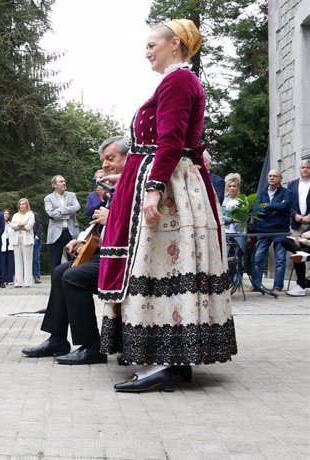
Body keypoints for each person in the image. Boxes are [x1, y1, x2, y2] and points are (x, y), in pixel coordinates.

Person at [97, 20, 237, 393]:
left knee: (159, 266)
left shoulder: (177, 80)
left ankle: (160, 363)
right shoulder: (180, 80)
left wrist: (154, 188)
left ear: (175, 44)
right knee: (167, 268)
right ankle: (172, 359)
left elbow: (171, 140)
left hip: (172, 187)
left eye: (151, 44)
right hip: (175, 179)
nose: (147, 51)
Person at [22, 136, 128, 364]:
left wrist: (112, 218)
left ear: (128, 159)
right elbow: (101, 227)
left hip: (124, 261)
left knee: (72, 277)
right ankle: (57, 338)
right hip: (107, 254)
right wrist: (84, 240)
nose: (105, 165)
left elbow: (141, 226)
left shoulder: (135, 187)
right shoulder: (118, 189)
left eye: (111, 158)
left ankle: (92, 346)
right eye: (103, 161)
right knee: (60, 271)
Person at [249, 169, 292, 292]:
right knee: (258, 258)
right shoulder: (260, 193)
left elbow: (285, 206)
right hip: (263, 230)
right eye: (270, 176)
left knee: (280, 259)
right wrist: (274, 208)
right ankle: (256, 284)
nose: (272, 178)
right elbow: (257, 208)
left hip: (280, 230)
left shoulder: (287, 193)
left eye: (275, 176)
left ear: (280, 179)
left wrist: (266, 205)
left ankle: (277, 286)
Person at [44, 175, 81, 271]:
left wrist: (60, 210)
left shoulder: (72, 195)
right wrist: (69, 213)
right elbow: (51, 214)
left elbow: (77, 207)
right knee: (55, 263)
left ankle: (72, 285)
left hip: (71, 232)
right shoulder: (48, 198)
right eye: (61, 181)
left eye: (64, 181)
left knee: (74, 262)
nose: (64, 183)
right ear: (54, 185)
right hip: (56, 233)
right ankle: (56, 286)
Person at [10, 198, 35, 287]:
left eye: (23, 204)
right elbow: (12, 225)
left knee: (27, 261)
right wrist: (20, 225)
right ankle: (18, 282)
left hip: (27, 239)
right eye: (20, 204)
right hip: (17, 239)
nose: (22, 206)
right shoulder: (15, 215)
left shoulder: (30, 214)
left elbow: (29, 226)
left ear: (27, 205)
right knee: (17, 261)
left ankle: (28, 282)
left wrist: (19, 226)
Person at [1, 209, 15, 285]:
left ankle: (10, 280)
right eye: (4, 213)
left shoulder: (11, 224)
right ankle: (3, 279)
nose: (6, 215)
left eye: (7, 214)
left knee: (10, 262)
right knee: (2, 262)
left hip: (10, 243)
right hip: (2, 243)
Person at [32, 210, 43, 284]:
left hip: (35, 241)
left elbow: (39, 227)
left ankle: (36, 277)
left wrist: (36, 237)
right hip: (26, 241)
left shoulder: (34, 214)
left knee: (35, 259)